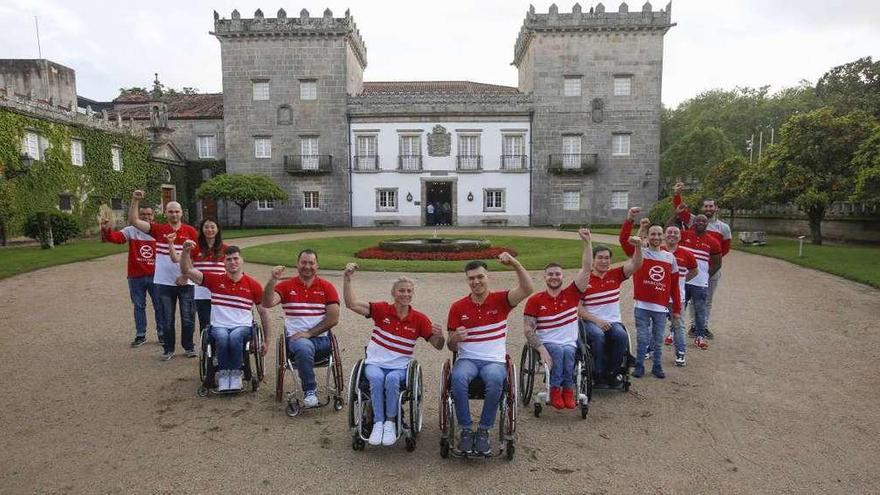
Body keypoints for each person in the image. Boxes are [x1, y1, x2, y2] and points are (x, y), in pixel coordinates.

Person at [342, 263, 445, 446]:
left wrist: (440, 336)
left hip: (400, 366)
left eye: (409, 291)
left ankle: (390, 422)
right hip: (375, 363)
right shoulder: (382, 310)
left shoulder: (419, 319)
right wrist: (347, 278)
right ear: (393, 293)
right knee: (375, 377)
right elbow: (351, 304)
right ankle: (377, 422)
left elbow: (438, 346)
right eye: (401, 291)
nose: (405, 294)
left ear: (412, 294)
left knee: (391, 380)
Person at [447, 253, 533, 455]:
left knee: (495, 379)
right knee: (457, 377)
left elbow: (528, 288)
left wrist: (514, 263)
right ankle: (466, 430)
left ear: (488, 277)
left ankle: (484, 430)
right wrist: (455, 338)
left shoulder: (501, 300)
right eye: (471, 278)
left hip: (493, 360)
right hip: (467, 359)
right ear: (467, 280)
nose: (476, 281)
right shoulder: (458, 307)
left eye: (480, 277)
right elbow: (451, 347)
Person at [178, 240, 270, 392]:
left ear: (242, 261)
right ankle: (224, 374)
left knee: (234, 337)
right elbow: (187, 270)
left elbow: (264, 312)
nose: (232, 262)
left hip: (243, 326)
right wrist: (186, 252)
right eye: (228, 259)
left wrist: (266, 340)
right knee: (221, 337)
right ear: (224, 263)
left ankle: (235, 374)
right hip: (219, 325)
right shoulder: (215, 280)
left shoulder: (253, 285)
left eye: (235, 259)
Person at [522, 228, 592, 410]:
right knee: (559, 352)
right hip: (548, 341)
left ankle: (567, 390)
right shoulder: (535, 300)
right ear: (544, 277)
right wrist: (541, 349)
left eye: (557, 274)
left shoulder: (572, 293)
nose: (554, 277)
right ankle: (555, 390)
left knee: (568, 352)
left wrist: (587, 242)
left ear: (563, 276)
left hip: (569, 341)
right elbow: (528, 329)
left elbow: (586, 268)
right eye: (550, 274)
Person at [262, 249, 340, 408]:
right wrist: (272, 281)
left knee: (305, 345)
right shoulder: (286, 286)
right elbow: (267, 303)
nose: (307, 266)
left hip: (322, 341)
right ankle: (310, 390)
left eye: (311, 263)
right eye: (303, 262)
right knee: (304, 347)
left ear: (317, 265)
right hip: (296, 341)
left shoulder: (327, 287)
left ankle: (309, 386)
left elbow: (333, 318)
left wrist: (309, 333)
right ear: (297, 264)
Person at [128, 190, 199, 361]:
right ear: (165, 213)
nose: (174, 214)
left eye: (177, 211)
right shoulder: (159, 230)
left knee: (188, 319)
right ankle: (168, 349)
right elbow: (134, 221)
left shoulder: (190, 231)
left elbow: (196, 258)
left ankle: (188, 347)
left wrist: (186, 276)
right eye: (170, 211)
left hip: (186, 283)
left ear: (181, 213)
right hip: (164, 283)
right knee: (166, 319)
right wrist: (135, 200)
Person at [579, 215, 643, 386]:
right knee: (598, 336)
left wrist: (638, 247)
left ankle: (612, 373)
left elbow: (636, 265)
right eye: (600, 257)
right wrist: (597, 320)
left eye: (607, 258)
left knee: (621, 336)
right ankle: (597, 373)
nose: (604, 261)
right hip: (591, 322)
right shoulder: (585, 279)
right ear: (593, 260)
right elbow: (577, 308)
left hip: (613, 321)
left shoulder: (615, 275)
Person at [673, 181, 731, 338]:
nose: (708, 209)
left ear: (716, 208)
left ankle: (703, 326)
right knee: (689, 299)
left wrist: (708, 268)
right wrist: (677, 194)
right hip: (690, 269)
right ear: (702, 208)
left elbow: (724, 250)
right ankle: (693, 326)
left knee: (707, 300)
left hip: (711, 270)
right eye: (706, 206)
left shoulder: (723, 227)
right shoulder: (694, 221)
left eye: (711, 206)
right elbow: (681, 211)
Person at [100, 206, 165, 347]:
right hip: (136, 276)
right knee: (139, 306)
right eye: (143, 214)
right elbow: (116, 238)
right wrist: (106, 229)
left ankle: (162, 333)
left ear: (153, 216)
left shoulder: (159, 231)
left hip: (156, 275)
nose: (146, 216)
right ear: (138, 215)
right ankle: (141, 335)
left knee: (159, 306)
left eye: (149, 214)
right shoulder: (131, 230)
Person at [630, 223, 681, 378]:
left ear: (664, 236)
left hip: (661, 307)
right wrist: (640, 226)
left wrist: (677, 309)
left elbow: (675, 286)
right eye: (653, 234)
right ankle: (639, 366)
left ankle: (657, 366)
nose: (656, 237)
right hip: (642, 305)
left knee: (658, 340)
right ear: (647, 236)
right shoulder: (641, 253)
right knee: (642, 337)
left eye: (659, 234)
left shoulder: (670, 258)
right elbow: (631, 242)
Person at [169, 219, 227, 336]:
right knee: (205, 322)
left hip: (220, 291)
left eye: (212, 227)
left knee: (221, 322)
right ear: (201, 230)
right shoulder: (195, 247)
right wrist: (171, 244)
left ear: (217, 229)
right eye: (206, 227)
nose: (209, 230)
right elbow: (176, 259)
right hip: (202, 292)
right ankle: (207, 350)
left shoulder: (225, 248)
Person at [676, 213, 722, 350]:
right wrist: (676, 213)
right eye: (698, 220)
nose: (701, 222)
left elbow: (717, 263)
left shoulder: (713, 242)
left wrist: (705, 276)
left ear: (707, 223)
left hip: (700, 283)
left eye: (704, 220)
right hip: (683, 280)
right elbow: (669, 230)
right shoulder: (684, 236)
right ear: (693, 222)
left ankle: (699, 336)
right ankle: (674, 333)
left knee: (700, 311)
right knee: (678, 309)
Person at [660, 225, 698, 365]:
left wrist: (680, 281)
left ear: (680, 237)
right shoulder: (658, 251)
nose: (672, 235)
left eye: (676, 233)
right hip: (659, 296)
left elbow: (694, 271)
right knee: (655, 324)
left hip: (677, 297)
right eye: (669, 232)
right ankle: (649, 349)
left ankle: (680, 353)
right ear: (664, 235)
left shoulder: (687, 254)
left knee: (678, 325)